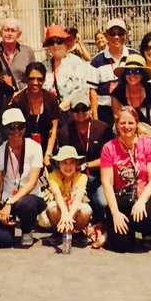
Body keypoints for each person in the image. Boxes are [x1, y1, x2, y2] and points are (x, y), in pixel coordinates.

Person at [100, 106, 151, 253]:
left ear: (136, 124)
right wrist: (115, 213)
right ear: (117, 125)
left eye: (130, 123)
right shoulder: (109, 148)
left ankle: (146, 230)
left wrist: (141, 201)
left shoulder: (149, 145)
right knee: (121, 246)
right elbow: (107, 183)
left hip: (147, 197)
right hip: (122, 198)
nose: (127, 127)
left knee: (145, 213)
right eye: (122, 123)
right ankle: (120, 229)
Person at [57, 96, 110, 245]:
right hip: (73, 177)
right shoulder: (64, 131)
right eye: (76, 109)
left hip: (96, 175)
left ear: (90, 109)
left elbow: (106, 159)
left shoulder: (103, 128)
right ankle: (72, 229)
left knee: (102, 203)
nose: (80, 112)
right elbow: (64, 159)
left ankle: (99, 226)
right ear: (70, 112)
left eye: (84, 109)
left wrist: (87, 165)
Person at [0, 108, 45, 248]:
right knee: (3, 241)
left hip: (29, 197)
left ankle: (27, 229)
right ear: (5, 130)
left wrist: (10, 203)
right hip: (8, 197)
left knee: (25, 205)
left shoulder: (35, 147)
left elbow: (32, 182)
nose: (16, 131)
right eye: (11, 127)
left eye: (20, 126)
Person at [89, 18, 140, 128]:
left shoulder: (134, 56)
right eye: (112, 34)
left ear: (125, 35)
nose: (117, 37)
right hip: (105, 112)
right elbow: (93, 90)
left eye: (120, 33)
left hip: (131, 110)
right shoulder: (97, 61)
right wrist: (95, 118)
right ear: (107, 36)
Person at [43, 24, 97, 123]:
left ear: (66, 43)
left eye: (59, 41)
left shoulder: (77, 63)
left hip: (70, 117)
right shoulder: (44, 65)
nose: (55, 45)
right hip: (48, 117)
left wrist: (58, 109)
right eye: (51, 42)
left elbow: (78, 90)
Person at [10, 62, 59, 167]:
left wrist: (48, 154)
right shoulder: (18, 101)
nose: (35, 82)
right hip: (25, 148)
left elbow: (53, 129)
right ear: (26, 79)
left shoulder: (51, 99)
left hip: (47, 147)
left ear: (44, 80)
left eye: (39, 79)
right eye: (31, 79)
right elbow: (15, 131)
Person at [45, 145, 93, 245]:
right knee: (51, 207)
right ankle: (59, 232)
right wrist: (65, 214)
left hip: (74, 210)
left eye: (71, 162)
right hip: (60, 209)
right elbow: (57, 195)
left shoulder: (82, 177)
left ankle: (77, 233)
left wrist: (68, 216)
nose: (68, 167)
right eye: (64, 163)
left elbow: (79, 198)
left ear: (76, 164)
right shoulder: (53, 176)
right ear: (58, 164)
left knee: (86, 210)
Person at [0, 18, 36, 91]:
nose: (9, 33)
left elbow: (34, 77)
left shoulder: (27, 52)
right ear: (0, 32)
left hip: (22, 98)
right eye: (6, 30)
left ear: (19, 34)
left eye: (13, 31)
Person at [111, 55, 151, 132]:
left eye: (137, 71)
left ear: (143, 75)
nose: (132, 75)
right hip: (124, 132)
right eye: (128, 71)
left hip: (147, 133)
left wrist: (150, 138)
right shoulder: (117, 93)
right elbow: (118, 123)